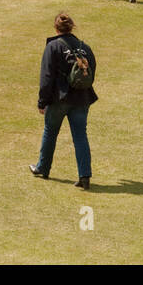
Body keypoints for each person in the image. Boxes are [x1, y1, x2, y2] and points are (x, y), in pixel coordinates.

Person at [30, 12, 96, 189]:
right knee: (80, 136)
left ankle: (42, 168)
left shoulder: (53, 46)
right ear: (72, 26)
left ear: (55, 28)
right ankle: (85, 176)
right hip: (82, 98)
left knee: (50, 132)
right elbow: (91, 75)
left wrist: (42, 102)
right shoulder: (86, 48)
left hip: (60, 99)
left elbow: (46, 77)